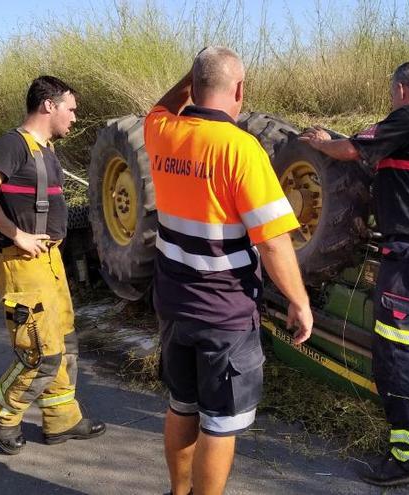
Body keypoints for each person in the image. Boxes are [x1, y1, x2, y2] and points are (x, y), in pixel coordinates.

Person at [145, 47, 314, 495]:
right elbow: (273, 240)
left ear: (194, 85)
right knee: (220, 423)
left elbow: (162, 105)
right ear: (239, 89)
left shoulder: (161, 131)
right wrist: (299, 300)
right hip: (224, 312)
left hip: (173, 306)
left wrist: (195, 73)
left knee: (181, 406)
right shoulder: (241, 149)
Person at [299, 61, 409, 487]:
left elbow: (352, 149)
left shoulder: (407, 119)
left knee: (399, 355)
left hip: (408, 257)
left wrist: (321, 141)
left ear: (403, 90)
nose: (391, 100)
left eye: (392, 93)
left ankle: (408, 459)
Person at [0, 75, 105, 455]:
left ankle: (62, 419)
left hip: (50, 262)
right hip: (23, 263)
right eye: (71, 109)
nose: (74, 118)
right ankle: (0, 413)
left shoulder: (44, 149)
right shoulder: (12, 145)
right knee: (40, 352)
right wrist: (17, 234)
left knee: (65, 343)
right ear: (49, 105)